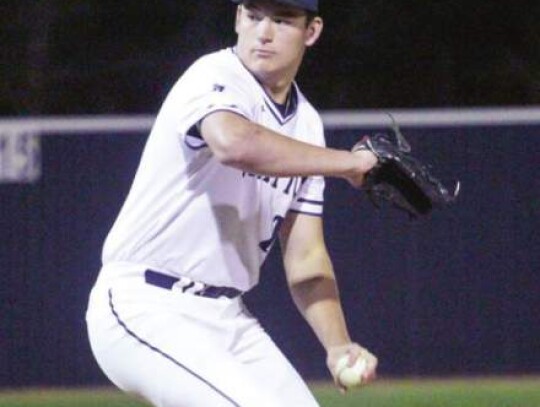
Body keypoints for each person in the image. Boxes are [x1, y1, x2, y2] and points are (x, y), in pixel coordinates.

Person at [86, 0, 378, 406]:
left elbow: (307, 259)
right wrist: (348, 164)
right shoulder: (213, 75)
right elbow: (233, 142)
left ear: (311, 32)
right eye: (255, 16)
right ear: (239, 17)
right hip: (147, 303)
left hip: (227, 317)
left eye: (281, 20)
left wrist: (337, 344)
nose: (264, 32)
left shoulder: (307, 126)